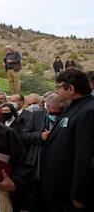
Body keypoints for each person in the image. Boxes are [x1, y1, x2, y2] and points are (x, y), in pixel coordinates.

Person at [40, 69, 94, 211]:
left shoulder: (88, 111)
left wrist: (79, 194)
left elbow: (85, 157)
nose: (56, 91)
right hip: (60, 192)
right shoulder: (73, 108)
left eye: (58, 88)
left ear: (70, 89)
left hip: (72, 196)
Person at [22, 93, 66, 212]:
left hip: (58, 170)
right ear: (45, 107)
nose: (54, 115)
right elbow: (24, 135)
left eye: (57, 113)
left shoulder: (67, 115)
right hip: (37, 167)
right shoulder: (37, 115)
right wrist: (40, 136)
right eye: (51, 113)